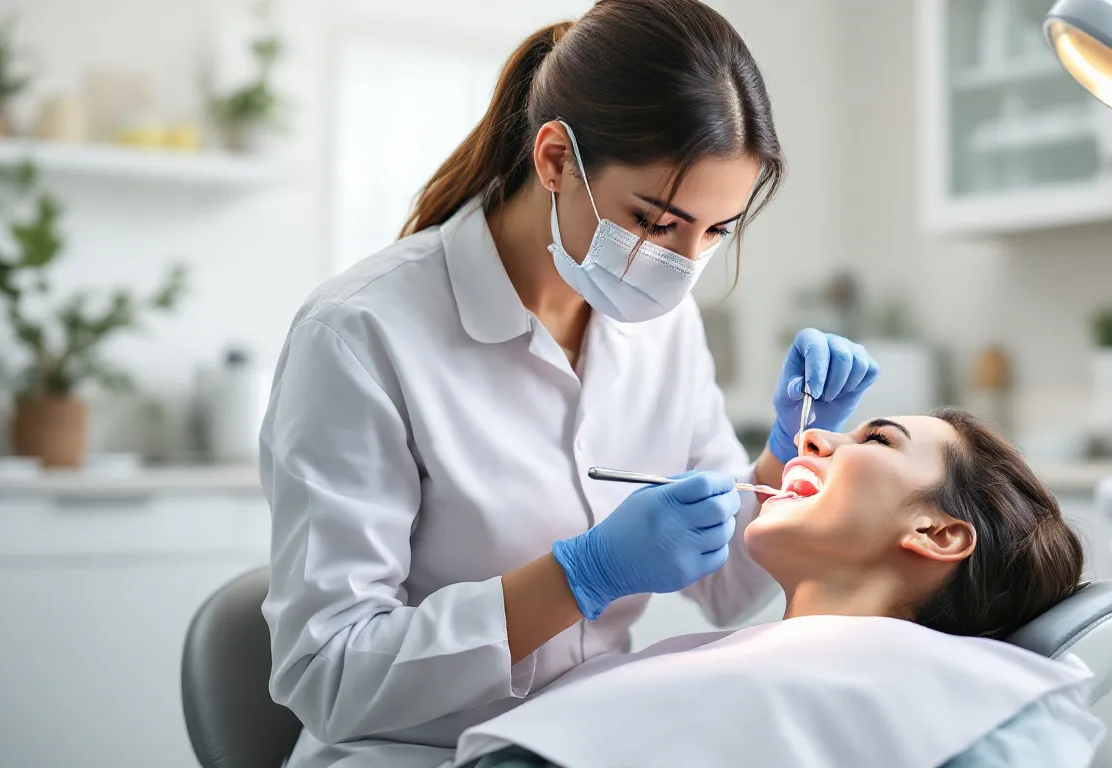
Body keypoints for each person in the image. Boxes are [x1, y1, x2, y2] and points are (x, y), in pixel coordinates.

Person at [259, 2, 879, 766]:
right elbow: (328, 673)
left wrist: (783, 462)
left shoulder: (664, 330)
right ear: (555, 159)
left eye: (715, 232)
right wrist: (580, 576)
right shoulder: (361, 333)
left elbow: (727, 594)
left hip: (586, 742)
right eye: (656, 222)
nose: (683, 264)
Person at [452, 409, 1099, 768]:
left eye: (876, 439)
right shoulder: (711, 661)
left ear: (937, 533)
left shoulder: (959, 709)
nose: (813, 437)